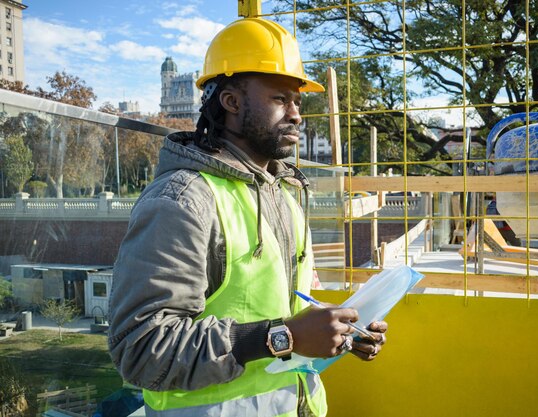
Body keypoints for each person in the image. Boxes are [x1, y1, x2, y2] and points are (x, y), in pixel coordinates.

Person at [108, 17, 388, 417]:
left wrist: (339, 331)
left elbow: (275, 311)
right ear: (232, 102)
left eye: (297, 101)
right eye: (280, 99)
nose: (296, 114)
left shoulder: (282, 196)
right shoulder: (183, 200)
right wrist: (284, 335)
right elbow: (141, 349)